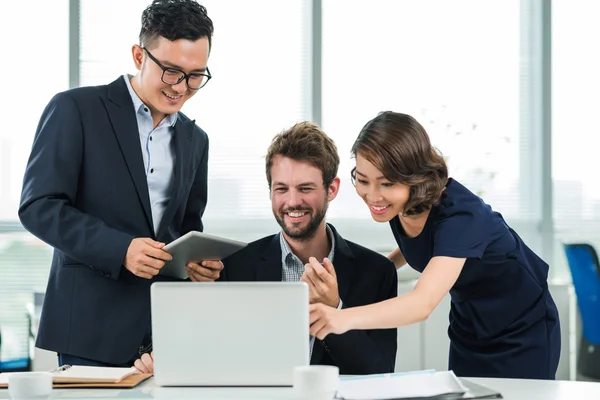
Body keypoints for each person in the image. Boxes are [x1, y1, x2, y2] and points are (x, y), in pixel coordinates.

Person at [18, 0, 216, 367]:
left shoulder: (196, 139)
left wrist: (196, 264)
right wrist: (121, 249)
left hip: (165, 337)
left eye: (196, 76)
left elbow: (185, 228)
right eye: (172, 71)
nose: (182, 88)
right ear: (139, 55)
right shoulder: (75, 109)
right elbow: (39, 206)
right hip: (91, 329)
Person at [308, 111, 561, 380]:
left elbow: (422, 303)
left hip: (522, 330)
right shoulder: (400, 206)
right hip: (471, 329)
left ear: (415, 177)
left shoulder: (461, 218)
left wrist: (342, 318)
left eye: (387, 183)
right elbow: (420, 245)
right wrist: (369, 271)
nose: (373, 195)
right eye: (362, 180)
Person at [133, 122, 398, 375]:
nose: (292, 202)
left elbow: (380, 371)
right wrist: (166, 362)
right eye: (281, 189)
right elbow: (213, 358)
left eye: (305, 188)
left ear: (331, 189)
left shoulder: (377, 273)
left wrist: (333, 310)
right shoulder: (233, 266)